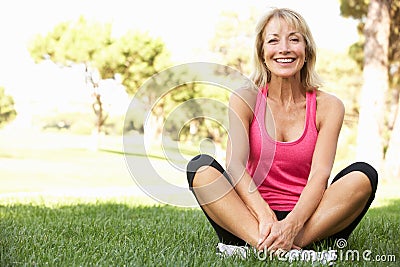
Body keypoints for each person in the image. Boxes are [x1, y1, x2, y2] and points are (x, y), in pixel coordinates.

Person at [186, 7, 378, 258]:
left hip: (308, 219)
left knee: (364, 175)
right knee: (201, 168)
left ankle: (268, 247)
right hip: (252, 218)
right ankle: (279, 246)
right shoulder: (244, 99)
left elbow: (320, 175)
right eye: (273, 40)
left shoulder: (329, 106)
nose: (284, 48)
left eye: (294, 39)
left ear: (307, 51)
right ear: (262, 52)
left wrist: (292, 224)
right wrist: (265, 215)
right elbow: (235, 167)